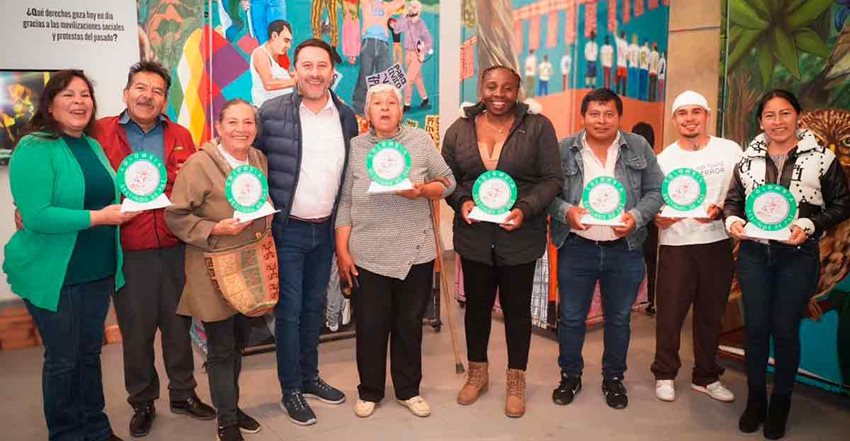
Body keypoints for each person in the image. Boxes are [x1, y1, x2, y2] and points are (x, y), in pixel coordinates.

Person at [4, 69, 135, 441]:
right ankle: (65, 434)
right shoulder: (34, 147)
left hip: (96, 269)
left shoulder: (91, 145)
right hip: (56, 274)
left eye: (85, 95)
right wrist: (99, 217)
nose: (79, 102)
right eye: (68, 95)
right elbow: (36, 215)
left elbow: (104, 198)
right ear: (50, 103)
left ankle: (95, 428)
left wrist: (127, 206)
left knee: (90, 354)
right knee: (63, 360)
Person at [93, 61, 215, 437]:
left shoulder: (180, 134)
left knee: (179, 326)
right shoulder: (99, 133)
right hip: (129, 250)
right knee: (137, 331)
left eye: (157, 91)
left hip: (177, 247)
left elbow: (195, 191)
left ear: (165, 99)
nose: (148, 96)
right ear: (126, 92)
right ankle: (142, 400)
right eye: (141, 88)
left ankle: (183, 393)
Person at [724, 89, 850, 439]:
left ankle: (780, 401)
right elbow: (733, 201)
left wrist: (809, 225)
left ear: (797, 116)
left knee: (785, 331)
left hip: (798, 256)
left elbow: (842, 204)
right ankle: (755, 400)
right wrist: (732, 223)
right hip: (753, 256)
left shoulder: (822, 159)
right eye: (769, 115)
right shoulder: (747, 159)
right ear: (761, 120)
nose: (777, 122)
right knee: (757, 330)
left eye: (784, 114)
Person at [443, 65, 562, 418]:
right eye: (492, 86)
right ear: (481, 88)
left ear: (517, 91)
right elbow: (447, 176)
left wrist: (525, 209)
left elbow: (552, 179)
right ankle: (477, 373)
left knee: (517, 312)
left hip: (519, 237)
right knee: (476, 309)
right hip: (475, 237)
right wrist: (461, 201)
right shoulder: (459, 129)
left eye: (507, 88)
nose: (499, 94)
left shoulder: (537, 127)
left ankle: (516, 379)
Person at [255, 38, 359, 426]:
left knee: (314, 308)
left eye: (322, 66)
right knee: (290, 311)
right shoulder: (271, 112)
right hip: (287, 231)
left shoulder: (345, 116)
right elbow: (251, 164)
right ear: (294, 70)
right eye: (306, 66)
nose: (314, 74)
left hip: (326, 230)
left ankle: (310, 376)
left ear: (333, 71)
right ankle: (291, 389)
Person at [335, 84, 455, 418]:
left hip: (414, 251)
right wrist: (342, 251)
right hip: (366, 253)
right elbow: (345, 201)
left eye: (392, 103)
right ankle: (370, 390)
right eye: (378, 103)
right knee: (371, 325)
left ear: (401, 111)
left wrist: (422, 191)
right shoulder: (356, 147)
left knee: (409, 324)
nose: (385, 108)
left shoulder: (420, 142)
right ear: (368, 112)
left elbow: (449, 182)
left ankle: (408, 390)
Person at [548, 88, 663, 410]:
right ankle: (569, 376)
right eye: (594, 114)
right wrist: (566, 212)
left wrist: (637, 217)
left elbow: (656, 190)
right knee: (570, 318)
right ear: (583, 117)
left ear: (618, 117)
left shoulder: (638, 146)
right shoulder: (563, 149)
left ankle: (614, 378)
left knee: (619, 319)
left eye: (608, 114)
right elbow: (547, 192)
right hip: (576, 247)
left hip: (624, 248)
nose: (601, 120)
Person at [165, 99, 267, 441]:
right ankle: (226, 421)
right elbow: (175, 216)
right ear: (219, 127)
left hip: (248, 267)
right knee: (221, 347)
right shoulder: (198, 165)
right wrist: (214, 229)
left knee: (239, 343)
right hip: (212, 268)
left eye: (248, 123)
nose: (241, 129)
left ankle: (232, 405)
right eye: (233, 123)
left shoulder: (258, 159)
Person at [651, 91, 742, 404]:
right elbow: (654, 204)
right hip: (677, 243)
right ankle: (665, 373)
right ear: (674, 119)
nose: (689, 118)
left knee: (711, 313)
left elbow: (741, 194)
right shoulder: (663, 159)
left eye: (696, 112)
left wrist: (724, 210)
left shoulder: (730, 151)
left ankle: (706, 376)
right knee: (670, 314)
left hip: (716, 242)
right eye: (682, 113)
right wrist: (659, 220)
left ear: (707, 115)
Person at [353, 0, 406, 113]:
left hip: (383, 45)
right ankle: (358, 110)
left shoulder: (387, 7)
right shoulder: (366, 3)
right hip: (368, 43)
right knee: (364, 77)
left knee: (385, 80)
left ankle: (385, 109)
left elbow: (401, 2)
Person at [391, 0, 432, 111]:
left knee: (409, 79)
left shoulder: (421, 24)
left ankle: (406, 104)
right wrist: (403, 16)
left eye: (413, 7)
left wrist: (423, 52)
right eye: (410, 7)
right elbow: (396, 30)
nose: (410, 9)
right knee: (417, 78)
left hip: (417, 55)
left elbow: (428, 40)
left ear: (418, 10)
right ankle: (425, 98)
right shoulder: (407, 22)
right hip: (407, 54)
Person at [250, 20, 296, 108]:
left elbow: (280, 77)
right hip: (267, 112)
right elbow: (268, 84)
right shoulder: (260, 53)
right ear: (274, 36)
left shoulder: (280, 56)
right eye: (286, 40)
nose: (289, 46)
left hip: (283, 110)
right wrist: (297, 81)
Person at [342, 0, 361, 65]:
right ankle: (350, 54)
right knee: (348, 36)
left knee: (355, 36)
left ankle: (353, 54)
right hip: (347, 19)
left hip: (354, 18)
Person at [615, 31, 628, 95]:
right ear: (624, 36)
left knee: (619, 80)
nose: (626, 37)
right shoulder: (625, 44)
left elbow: (615, 35)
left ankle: (618, 93)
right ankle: (623, 94)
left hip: (619, 64)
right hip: (623, 65)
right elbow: (627, 56)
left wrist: (614, 28)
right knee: (624, 81)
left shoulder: (618, 41)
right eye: (626, 35)